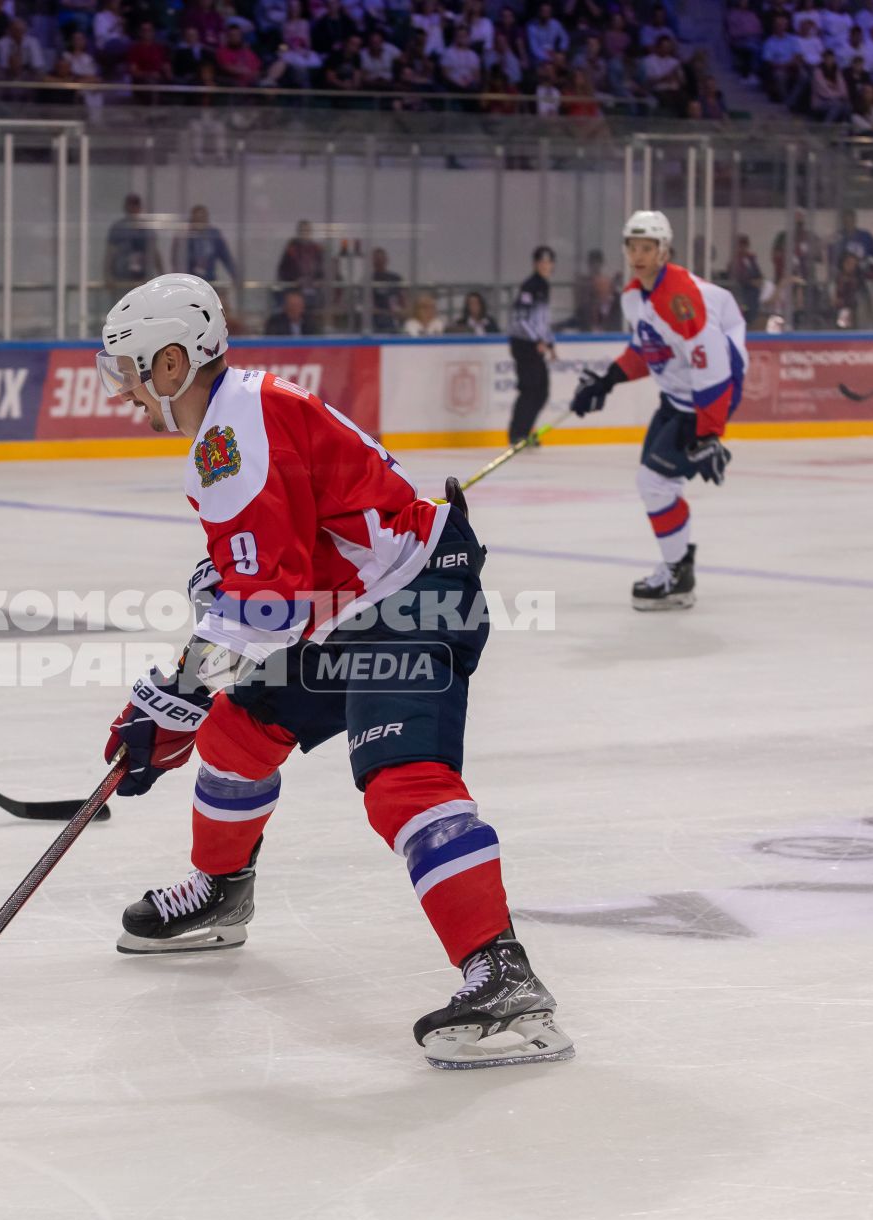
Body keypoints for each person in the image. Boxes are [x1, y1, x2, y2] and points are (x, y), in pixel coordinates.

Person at [92, 273, 575, 1070]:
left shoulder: (231, 440)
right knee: (239, 732)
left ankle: (503, 976)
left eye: (131, 368)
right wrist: (187, 696)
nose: (124, 390)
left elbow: (261, 608)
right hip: (350, 605)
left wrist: (168, 699)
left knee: (401, 778)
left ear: (173, 364)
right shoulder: (237, 419)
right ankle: (221, 893)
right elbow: (268, 577)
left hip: (415, 597)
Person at [569, 210, 747, 610]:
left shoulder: (679, 298)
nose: (638, 254)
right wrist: (607, 379)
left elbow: (714, 367)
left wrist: (708, 433)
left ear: (664, 250)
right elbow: (648, 350)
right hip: (678, 399)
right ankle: (677, 570)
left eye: (647, 247)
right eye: (633, 246)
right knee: (657, 484)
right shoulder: (635, 295)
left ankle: (678, 576)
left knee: (655, 483)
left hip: (704, 400)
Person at [507, 246, 557, 446]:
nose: (546, 266)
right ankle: (517, 434)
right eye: (542, 262)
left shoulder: (543, 285)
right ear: (536, 264)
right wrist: (537, 340)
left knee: (542, 390)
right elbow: (521, 319)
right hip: (524, 344)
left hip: (534, 344)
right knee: (529, 388)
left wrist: (550, 342)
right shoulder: (530, 286)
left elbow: (541, 320)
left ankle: (525, 432)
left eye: (549, 262)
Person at [104, 192, 162, 300]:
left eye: (136, 205)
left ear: (140, 207)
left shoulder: (147, 228)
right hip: (123, 278)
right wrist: (108, 276)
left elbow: (155, 253)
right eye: (131, 205)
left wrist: (161, 275)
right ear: (126, 207)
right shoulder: (118, 228)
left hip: (144, 278)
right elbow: (110, 253)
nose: (133, 208)